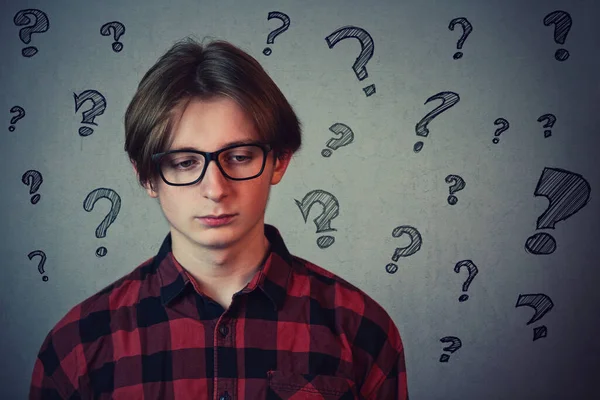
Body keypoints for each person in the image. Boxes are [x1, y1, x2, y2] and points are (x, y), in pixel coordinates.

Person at [29, 36, 408, 399]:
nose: (215, 188)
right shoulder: (77, 344)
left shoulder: (361, 329)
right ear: (146, 176)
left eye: (240, 157)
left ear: (279, 161)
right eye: (183, 162)